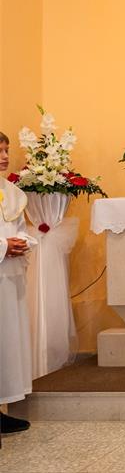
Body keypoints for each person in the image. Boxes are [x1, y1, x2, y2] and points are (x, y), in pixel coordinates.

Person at [0, 131, 35, 434]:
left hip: (10, 278)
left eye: (6, 150)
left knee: (8, 343)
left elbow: (20, 226)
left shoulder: (11, 192)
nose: (5, 157)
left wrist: (22, 241)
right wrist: (3, 246)